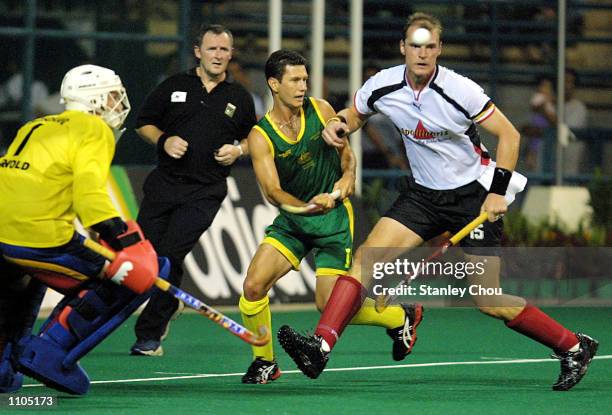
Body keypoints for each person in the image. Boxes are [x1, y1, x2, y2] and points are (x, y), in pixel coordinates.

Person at [279, 13, 598, 391]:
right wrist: (340, 124)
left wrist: (497, 192)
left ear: (439, 50)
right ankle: (320, 347)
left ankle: (574, 346)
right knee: (366, 258)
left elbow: (509, 136)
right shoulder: (383, 85)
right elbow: (357, 113)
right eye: (415, 45)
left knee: (489, 299)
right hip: (423, 196)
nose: (422, 53)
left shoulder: (461, 90)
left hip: (472, 195)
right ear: (403, 48)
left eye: (430, 46)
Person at [239, 50, 422, 384]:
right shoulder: (260, 136)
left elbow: (347, 163)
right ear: (273, 84)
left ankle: (399, 316)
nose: (302, 86)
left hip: (334, 221)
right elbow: (272, 191)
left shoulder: (322, 110)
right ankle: (265, 362)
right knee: (253, 286)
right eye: (294, 80)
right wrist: (305, 207)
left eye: (305, 79)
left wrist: (343, 183)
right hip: (295, 219)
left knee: (328, 305)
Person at [0, 64, 162, 395]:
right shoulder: (94, 128)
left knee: (23, 280)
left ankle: (5, 367)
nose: (119, 106)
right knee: (124, 282)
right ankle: (49, 354)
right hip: (37, 234)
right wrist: (123, 240)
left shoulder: (36, 124)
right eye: (114, 97)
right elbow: (89, 194)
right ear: (96, 100)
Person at [130, 24, 257, 356]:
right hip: (163, 185)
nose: (218, 55)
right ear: (198, 51)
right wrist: (163, 139)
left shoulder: (239, 97)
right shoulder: (173, 85)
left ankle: (149, 334)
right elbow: (143, 122)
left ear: (231, 55)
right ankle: (169, 303)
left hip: (205, 191)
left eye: (224, 50)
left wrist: (239, 150)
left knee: (170, 255)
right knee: (146, 257)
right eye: (212, 49)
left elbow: (255, 139)